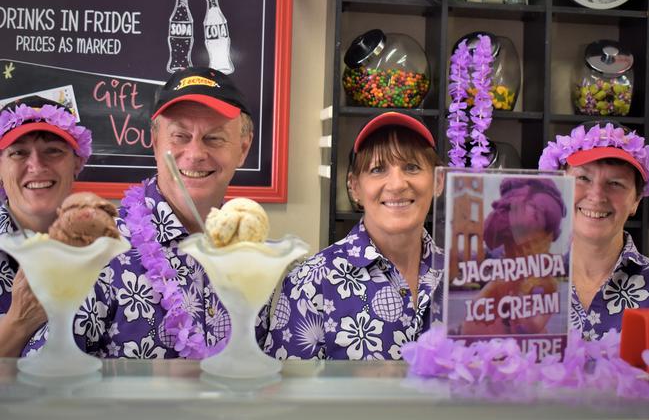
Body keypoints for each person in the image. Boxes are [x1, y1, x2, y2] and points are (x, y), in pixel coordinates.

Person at [22, 66, 255, 359]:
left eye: (215, 138)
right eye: (180, 136)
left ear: (243, 148)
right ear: (156, 143)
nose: (195, 153)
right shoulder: (98, 250)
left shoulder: (255, 257)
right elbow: (42, 374)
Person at [264, 112, 444, 360]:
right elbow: (289, 394)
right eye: (378, 169)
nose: (397, 184)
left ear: (438, 181)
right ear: (355, 187)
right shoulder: (309, 283)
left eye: (411, 167)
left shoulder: (466, 277)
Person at [539, 120, 649, 340]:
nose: (597, 196)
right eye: (583, 178)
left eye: (615, 183)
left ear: (636, 200)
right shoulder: (519, 280)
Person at [0, 96, 92, 356]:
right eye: (18, 152)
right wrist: (19, 322)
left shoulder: (117, 246)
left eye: (53, 150)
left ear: (77, 163)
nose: (37, 166)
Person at [459, 178, 567, 336]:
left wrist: (519, 299)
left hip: (534, 349)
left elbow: (535, 326)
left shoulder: (548, 285)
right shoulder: (503, 280)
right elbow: (475, 309)